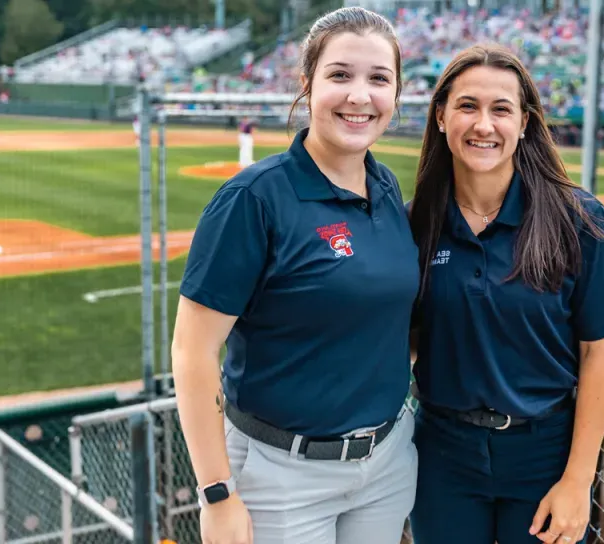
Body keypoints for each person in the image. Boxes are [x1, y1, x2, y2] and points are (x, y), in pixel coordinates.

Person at [170, 7, 419, 544]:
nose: (360, 95)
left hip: (387, 462)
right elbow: (192, 352)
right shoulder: (252, 200)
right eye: (340, 75)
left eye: (379, 79)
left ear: (396, 93)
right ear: (307, 86)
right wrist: (217, 494)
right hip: (280, 475)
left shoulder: (388, 189)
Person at [407, 44, 604, 544]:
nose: (483, 125)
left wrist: (578, 481)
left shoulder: (577, 219)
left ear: (525, 123)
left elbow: (601, 350)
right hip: (442, 455)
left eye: (501, 109)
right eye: (468, 106)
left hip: (545, 452)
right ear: (441, 116)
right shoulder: (414, 222)